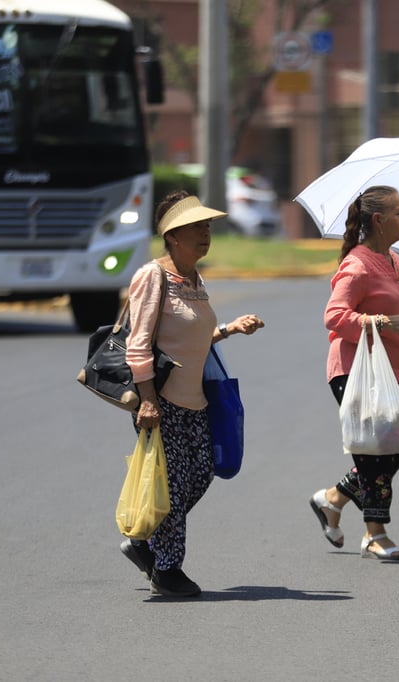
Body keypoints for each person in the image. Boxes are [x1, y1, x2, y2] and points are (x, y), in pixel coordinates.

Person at [120, 190, 265, 597]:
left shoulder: (195, 280)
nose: (205, 234)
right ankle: (167, 570)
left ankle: (144, 541)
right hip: (161, 401)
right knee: (172, 484)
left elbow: (191, 339)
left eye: (207, 227)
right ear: (172, 235)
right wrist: (149, 400)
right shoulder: (153, 277)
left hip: (196, 401)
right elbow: (138, 344)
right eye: (196, 227)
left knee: (200, 475)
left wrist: (230, 329)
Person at [308, 185, 399, 561]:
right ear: (379, 220)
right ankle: (375, 533)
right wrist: (382, 321)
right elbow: (334, 316)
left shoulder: (394, 260)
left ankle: (333, 499)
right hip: (355, 368)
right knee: (375, 453)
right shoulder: (357, 264)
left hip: (390, 368)